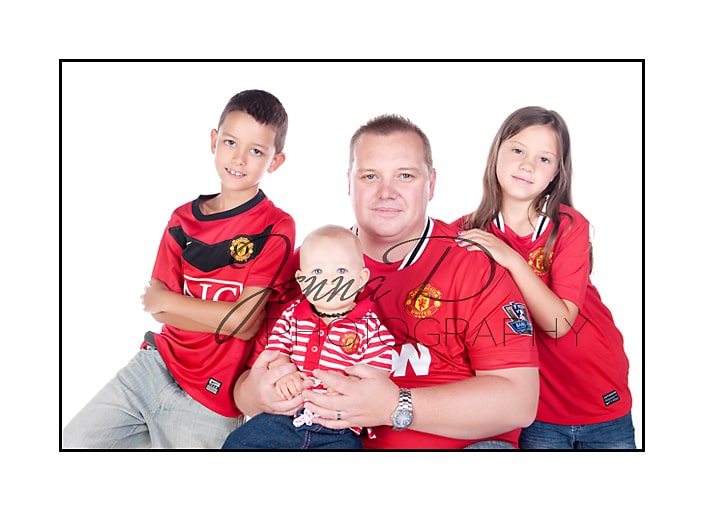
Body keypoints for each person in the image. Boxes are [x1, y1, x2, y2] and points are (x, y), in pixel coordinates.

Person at [234, 114, 540, 449]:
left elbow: (518, 402)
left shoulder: (473, 265)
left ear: (431, 184)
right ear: (349, 183)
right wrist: (260, 395)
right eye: (370, 176)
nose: (386, 192)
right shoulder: (309, 264)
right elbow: (244, 388)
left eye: (405, 175)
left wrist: (395, 406)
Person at [62, 89, 295, 449]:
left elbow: (244, 324)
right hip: (155, 364)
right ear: (214, 141)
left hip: (211, 397)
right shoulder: (183, 219)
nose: (238, 158)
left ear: (275, 162)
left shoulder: (276, 226)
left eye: (256, 151)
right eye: (230, 142)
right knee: (75, 442)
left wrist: (172, 304)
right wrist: (215, 315)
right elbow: (157, 309)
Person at [455, 106, 635, 449]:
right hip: (536, 410)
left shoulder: (567, 226)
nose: (528, 165)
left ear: (556, 172)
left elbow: (558, 324)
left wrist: (511, 259)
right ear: (496, 154)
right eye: (518, 150)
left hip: (599, 394)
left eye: (544, 159)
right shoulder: (466, 233)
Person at [222, 224, 395, 449]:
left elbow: (379, 368)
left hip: (338, 425)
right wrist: (284, 373)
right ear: (302, 281)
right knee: (238, 442)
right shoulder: (292, 315)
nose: (329, 281)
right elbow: (276, 349)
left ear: (361, 278)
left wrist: (351, 384)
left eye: (341, 272)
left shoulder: (370, 326)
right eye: (317, 272)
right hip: (285, 417)